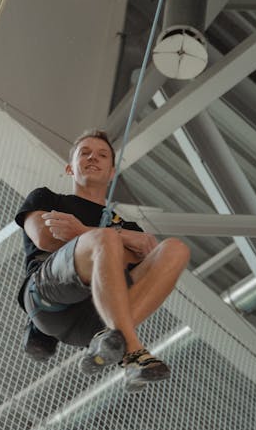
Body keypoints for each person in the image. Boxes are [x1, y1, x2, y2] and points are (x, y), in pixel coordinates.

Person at [15, 129, 190, 391]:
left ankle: (111, 339)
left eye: (102, 155)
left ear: (111, 172)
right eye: (84, 153)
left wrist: (81, 232)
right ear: (70, 168)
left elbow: (136, 260)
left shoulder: (127, 226)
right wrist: (109, 239)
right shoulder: (47, 198)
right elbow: (45, 238)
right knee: (106, 240)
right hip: (49, 299)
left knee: (176, 249)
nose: (92, 158)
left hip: (93, 322)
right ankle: (132, 351)